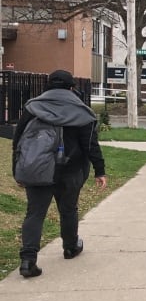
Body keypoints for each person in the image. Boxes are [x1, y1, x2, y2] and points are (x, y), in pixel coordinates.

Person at [12, 69, 108, 278]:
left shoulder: (33, 107)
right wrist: (100, 171)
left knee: (35, 213)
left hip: (37, 169)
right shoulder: (82, 111)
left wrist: (18, 170)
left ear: (48, 85)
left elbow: (18, 140)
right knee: (68, 210)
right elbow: (90, 144)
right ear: (72, 87)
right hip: (71, 170)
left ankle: (28, 260)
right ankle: (70, 247)